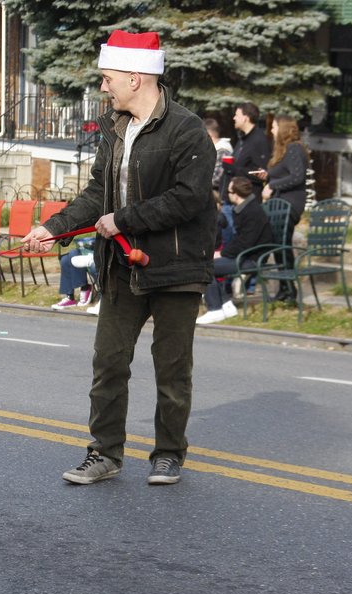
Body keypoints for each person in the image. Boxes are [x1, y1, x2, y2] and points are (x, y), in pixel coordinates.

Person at [22, 29, 217, 485]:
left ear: (136, 77)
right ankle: (104, 453)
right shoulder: (114, 130)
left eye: (107, 78)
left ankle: (168, 453)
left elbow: (189, 199)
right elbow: (97, 193)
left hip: (175, 269)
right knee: (109, 363)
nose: (102, 87)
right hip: (120, 267)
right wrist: (53, 228)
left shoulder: (187, 129)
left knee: (172, 370)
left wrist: (124, 219)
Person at [196, 176, 274, 324]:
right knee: (208, 263)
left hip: (251, 259)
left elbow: (245, 243)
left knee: (204, 268)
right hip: (245, 256)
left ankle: (215, 309)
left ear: (236, 194)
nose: (227, 194)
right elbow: (240, 241)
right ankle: (226, 305)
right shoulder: (244, 208)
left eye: (229, 191)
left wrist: (222, 253)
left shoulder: (252, 212)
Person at [252, 115, 308, 303]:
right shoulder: (284, 151)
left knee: (282, 245)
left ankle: (290, 289)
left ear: (283, 129)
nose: (272, 130)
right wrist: (268, 176)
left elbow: (297, 177)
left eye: (275, 127)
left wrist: (273, 184)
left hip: (289, 204)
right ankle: (285, 289)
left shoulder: (294, 148)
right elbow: (286, 173)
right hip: (280, 203)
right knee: (277, 245)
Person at [222, 102, 271, 202]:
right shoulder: (242, 139)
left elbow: (261, 174)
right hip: (232, 198)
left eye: (237, 115)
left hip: (246, 201)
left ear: (245, 118)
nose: (234, 118)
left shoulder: (259, 140)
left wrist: (234, 169)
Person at [205, 117, 235, 245]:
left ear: (209, 135)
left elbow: (217, 178)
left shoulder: (222, 150)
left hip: (218, 195)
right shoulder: (214, 149)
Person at [51, 237, 95, 310]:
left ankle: (85, 287)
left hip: (96, 247)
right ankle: (70, 297)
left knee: (73, 253)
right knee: (65, 259)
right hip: (83, 245)